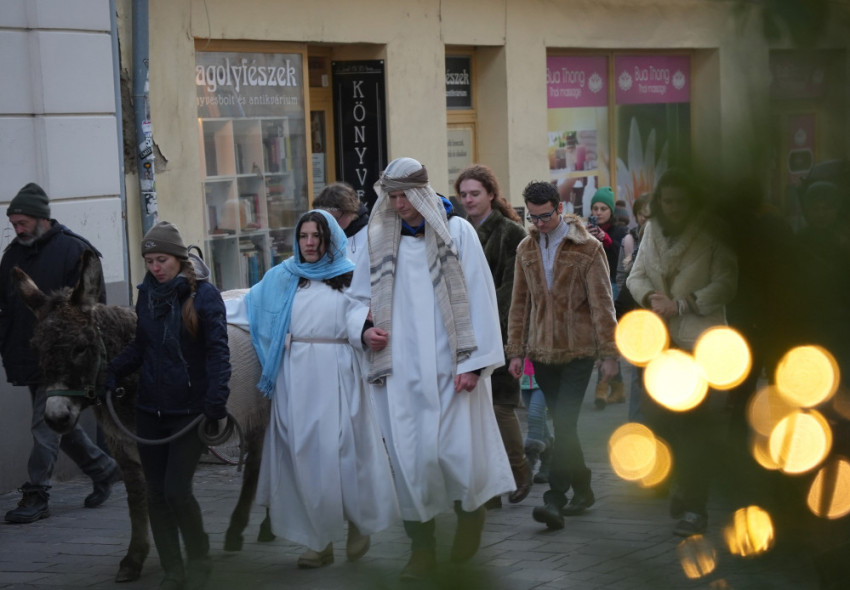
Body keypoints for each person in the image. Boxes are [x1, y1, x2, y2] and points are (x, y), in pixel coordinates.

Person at [357, 157, 514, 579]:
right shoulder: (377, 238)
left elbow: (480, 297)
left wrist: (474, 365)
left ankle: (470, 514)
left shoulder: (457, 232)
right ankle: (421, 547)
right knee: (412, 462)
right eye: (392, 196)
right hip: (401, 371)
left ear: (423, 193)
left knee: (455, 454)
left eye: (406, 195)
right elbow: (357, 301)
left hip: (452, 367)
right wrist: (364, 331)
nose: (399, 204)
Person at [226, 210, 398, 570]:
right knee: (303, 456)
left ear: (330, 239)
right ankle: (319, 541)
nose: (309, 243)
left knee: (346, 453)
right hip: (295, 376)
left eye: (316, 236)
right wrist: (206, 304)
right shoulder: (284, 277)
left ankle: (358, 524)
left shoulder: (351, 277)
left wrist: (366, 334)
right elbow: (248, 308)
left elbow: (361, 317)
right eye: (303, 236)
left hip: (339, 372)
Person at [107, 221, 231, 589]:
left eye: (161, 260)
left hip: (189, 412)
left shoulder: (204, 297)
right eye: (149, 261)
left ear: (178, 258)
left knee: (177, 491)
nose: (155, 267)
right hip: (150, 410)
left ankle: (199, 557)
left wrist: (216, 401)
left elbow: (218, 352)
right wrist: (111, 371)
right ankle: (172, 570)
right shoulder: (146, 295)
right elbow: (141, 346)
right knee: (156, 494)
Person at [626, 168, 737, 537]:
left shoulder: (714, 232)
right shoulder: (651, 230)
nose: (673, 208)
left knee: (695, 427)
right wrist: (651, 298)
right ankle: (681, 481)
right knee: (658, 419)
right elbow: (635, 275)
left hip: (700, 341)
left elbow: (726, 283)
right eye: (667, 201)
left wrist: (684, 303)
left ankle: (695, 507)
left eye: (680, 201)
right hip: (661, 342)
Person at [1, 182, 119, 524]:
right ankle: (103, 468)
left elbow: (92, 310)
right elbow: (6, 306)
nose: (17, 229)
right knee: (58, 426)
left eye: (22, 222)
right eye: (13, 224)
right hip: (28, 355)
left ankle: (37, 493)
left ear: (41, 218)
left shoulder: (75, 251)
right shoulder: (13, 255)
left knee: (44, 426)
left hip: (65, 362)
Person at [505, 180, 618, 530]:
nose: (539, 223)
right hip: (541, 352)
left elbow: (602, 303)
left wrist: (610, 354)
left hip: (579, 351)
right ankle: (583, 487)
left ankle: (554, 499)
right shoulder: (526, 249)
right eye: (532, 217)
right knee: (563, 425)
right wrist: (515, 351)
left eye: (545, 216)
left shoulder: (587, 248)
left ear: (559, 208)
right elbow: (519, 304)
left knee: (565, 423)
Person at [455, 164, 532, 507]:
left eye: (475, 193)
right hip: (465, 334)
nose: (469, 200)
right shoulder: (459, 231)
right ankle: (489, 486)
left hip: (499, 332)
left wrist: (499, 334)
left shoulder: (510, 233)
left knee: (501, 407)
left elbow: (513, 290)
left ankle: (519, 470)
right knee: (476, 413)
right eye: (464, 194)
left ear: (491, 194)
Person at [586, 186, 628, 409]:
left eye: (603, 208)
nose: (599, 212)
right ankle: (618, 387)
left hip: (611, 288)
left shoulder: (619, 232)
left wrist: (606, 239)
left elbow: (619, 258)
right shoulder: (586, 229)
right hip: (592, 288)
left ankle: (601, 387)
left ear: (611, 211)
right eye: (595, 208)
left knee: (607, 338)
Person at [615, 192, 651, 422]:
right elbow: (625, 282)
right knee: (640, 378)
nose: (646, 219)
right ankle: (638, 424)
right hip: (641, 321)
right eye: (642, 214)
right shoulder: (633, 241)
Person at [520, 358, 553, 482]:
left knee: (535, 416)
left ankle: (527, 469)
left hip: (545, 376)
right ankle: (548, 462)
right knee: (539, 421)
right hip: (524, 378)